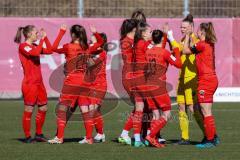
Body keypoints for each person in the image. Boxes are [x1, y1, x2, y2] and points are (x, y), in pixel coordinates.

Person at [183, 22, 220, 148]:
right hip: (208, 79)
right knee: (199, 108)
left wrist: (188, 35)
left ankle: (210, 140)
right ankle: (212, 136)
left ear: (203, 32)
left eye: (198, 30)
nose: (197, 32)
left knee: (205, 110)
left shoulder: (202, 45)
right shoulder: (208, 43)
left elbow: (185, 50)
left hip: (207, 80)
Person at [14, 25, 52, 143]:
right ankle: (27, 136)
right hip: (29, 83)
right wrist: (41, 41)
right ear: (29, 34)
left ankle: (39, 134)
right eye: (36, 32)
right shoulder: (23, 46)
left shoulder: (35, 46)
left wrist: (45, 39)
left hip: (39, 83)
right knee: (29, 109)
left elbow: (49, 50)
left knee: (44, 107)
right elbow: (35, 53)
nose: (38, 34)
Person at [144, 29, 182, 148]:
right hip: (159, 87)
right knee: (166, 114)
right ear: (161, 39)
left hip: (148, 85)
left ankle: (153, 138)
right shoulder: (164, 52)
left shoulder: (148, 52)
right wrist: (176, 49)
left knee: (155, 114)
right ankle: (151, 135)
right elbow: (179, 64)